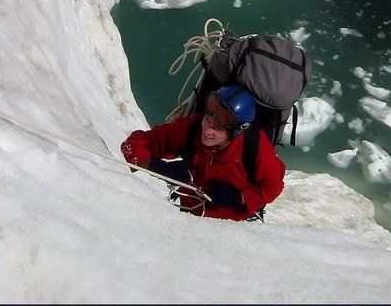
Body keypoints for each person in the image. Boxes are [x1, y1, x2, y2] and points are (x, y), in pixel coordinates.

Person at [120, 85, 286, 220]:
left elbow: (273, 187)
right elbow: (132, 144)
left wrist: (238, 197)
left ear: (236, 131)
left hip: (236, 228)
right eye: (208, 117)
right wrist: (157, 167)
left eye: (218, 126)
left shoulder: (255, 147)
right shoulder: (192, 128)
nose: (207, 130)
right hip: (189, 218)